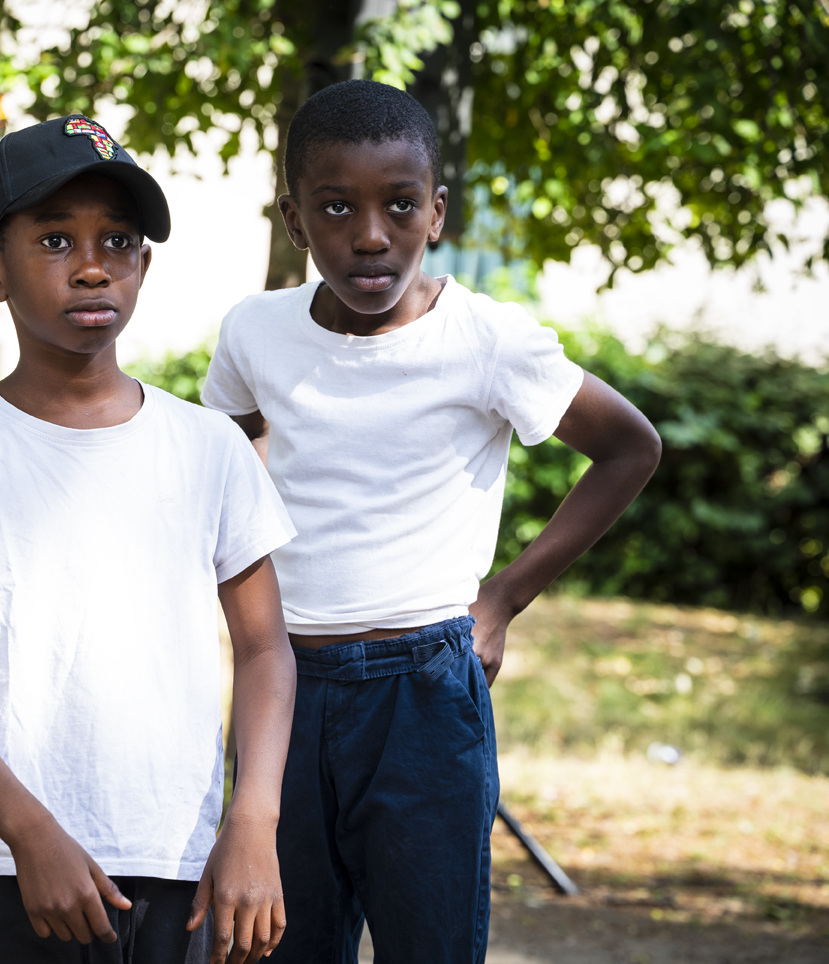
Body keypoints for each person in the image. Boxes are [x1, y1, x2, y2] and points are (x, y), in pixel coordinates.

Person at [201, 80, 662, 963]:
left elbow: (629, 449)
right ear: (294, 220)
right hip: (283, 686)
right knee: (275, 943)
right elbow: (232, 463)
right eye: (336, 208)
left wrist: (503, 600)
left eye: (399, 205)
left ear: (436, 213)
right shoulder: (254, 333)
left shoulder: (486, 340)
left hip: (424, 690)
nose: (370, 235)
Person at [0, 113, 299, 964]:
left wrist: (254, 819)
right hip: (13, 868)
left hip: (182, 864)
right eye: (55, 240)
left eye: (118, 240)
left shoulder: (207, 447)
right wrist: (29, 835)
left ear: (144, 264)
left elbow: (266, 648)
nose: (93, 266)